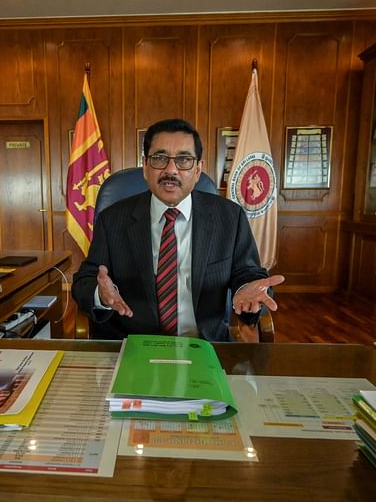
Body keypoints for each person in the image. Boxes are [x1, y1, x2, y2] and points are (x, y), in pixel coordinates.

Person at [72, 118, 284, 341]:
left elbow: (248, 274)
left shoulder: (229, 217)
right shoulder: (113, 219)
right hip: (134, 345)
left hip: (205, 346)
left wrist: (246, 291)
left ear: (198, 170)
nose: (170, 170)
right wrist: (101, 295)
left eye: (184, 160)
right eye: (159, 158)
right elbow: (86, 278)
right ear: (145, 166)